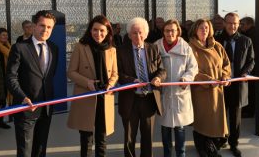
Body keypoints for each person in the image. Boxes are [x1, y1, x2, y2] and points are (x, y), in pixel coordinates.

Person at [6, 10, 58, 157]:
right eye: (42, 25)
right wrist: (22, 97)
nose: (45, 30)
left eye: (49, 27)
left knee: (41, 150)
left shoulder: (54, 48)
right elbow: (11, 77)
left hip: (46, 108)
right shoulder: (19, 48)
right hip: (25, 109)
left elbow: (49, 76)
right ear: (34, 26)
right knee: (25, 152)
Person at [67, 15, 118, 157]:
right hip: (86, 97)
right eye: (95, 30)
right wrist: (87, 82)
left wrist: (110, 84)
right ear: (90, 30)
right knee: (86, 140)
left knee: (102, 140)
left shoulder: (112, 50)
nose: (98, 33)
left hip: (104, 98)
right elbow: (71, 72)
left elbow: (115, 73)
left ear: (108, 32)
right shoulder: (80, 47)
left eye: (102, 30)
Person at [117, 17, 166, 157]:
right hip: (130, 99)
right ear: (129, 34)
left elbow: (162, 69)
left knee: (147, 137)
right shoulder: (121, 51)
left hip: (149, 99)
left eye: (140, 32)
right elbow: (118, 74)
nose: (137, 36)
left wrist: (158, 78)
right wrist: (132, 80)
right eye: (134, 33)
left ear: (145, 33)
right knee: (129, 138)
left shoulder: (153, 48)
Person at [154, 19, 198, 157]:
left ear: (178, 31)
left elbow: (193, 67)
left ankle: (181, 154)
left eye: (173, 30)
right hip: (164, 93)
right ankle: (167, 154)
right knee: (165, 128)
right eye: (167, 30)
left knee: (180, 128)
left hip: (180, 92)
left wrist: (186, 78)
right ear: (163, 32)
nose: (170, 33)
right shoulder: (156, 46)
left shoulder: (186, 47)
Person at [188, 18, 231, 157]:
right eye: (201, 28)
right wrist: (208, 80)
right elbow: (191, 70)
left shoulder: (217, 46)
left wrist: (225, 76)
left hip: (217, 91)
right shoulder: (190, 47)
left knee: (215, 119)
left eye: (206, 27)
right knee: (202, 119)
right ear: (195, 30)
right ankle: (202, 148)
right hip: (200, 91)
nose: (204, 30)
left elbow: (226, 64)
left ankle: (211, 145)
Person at [215, 13, 255, 157]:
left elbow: (251, 61)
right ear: (225, 23)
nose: (232, 26)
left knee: (235, 116)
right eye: (229, 23)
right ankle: (222, 138)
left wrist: (245, 72)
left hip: (238, 84)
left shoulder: (246, 40)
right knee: (220, 114)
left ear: (238, 24)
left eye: (235, 23)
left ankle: (234, 143)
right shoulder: (216, 40)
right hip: (221, 84)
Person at [239, 16, 258, 118]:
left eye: (243, 24)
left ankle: (249, 111)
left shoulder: (251, 35)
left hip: (251, 67)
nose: (241, 26)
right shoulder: (247, 34)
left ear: (249, 24)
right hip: (249, 67)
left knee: (250, 91)